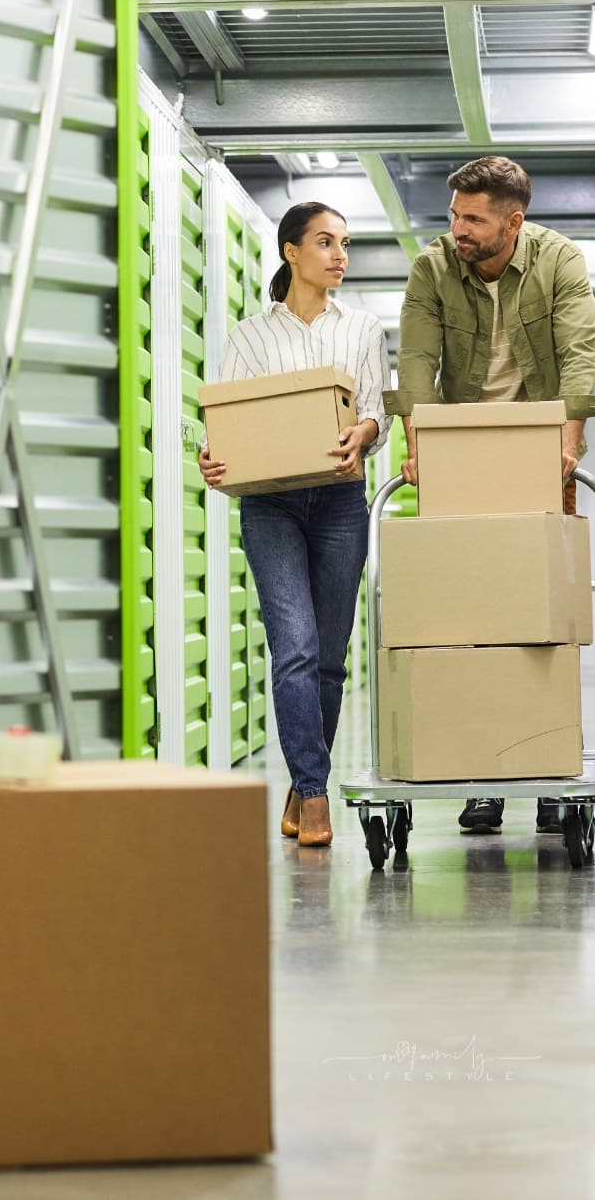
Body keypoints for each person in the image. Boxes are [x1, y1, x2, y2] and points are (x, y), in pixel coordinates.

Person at [388, 155, 595, 835]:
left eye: (473, 219)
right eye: (454, 216)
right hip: (463, 450)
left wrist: (569, 440)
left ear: (514, 220)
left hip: (539, 446)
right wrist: (419, 446)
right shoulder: (434, 267)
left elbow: (579, 350)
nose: (458, 230)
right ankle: (485, 776)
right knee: (471, 625)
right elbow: (416, 360)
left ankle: (545, 771)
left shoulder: (559, 260)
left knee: (545, 627)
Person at [199, 202, 391, 847]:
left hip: (339, 501)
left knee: (330, 663)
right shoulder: (251, 336)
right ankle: (314, 796)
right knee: (297, 651)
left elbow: (375, 413)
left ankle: (299, 779)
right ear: (291, 252)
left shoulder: (362, 327)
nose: (340, 254)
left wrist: (364, 432)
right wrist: (212, 456)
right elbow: (230, 423)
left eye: (345, 243)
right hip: (273, 506)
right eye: (325, 242)